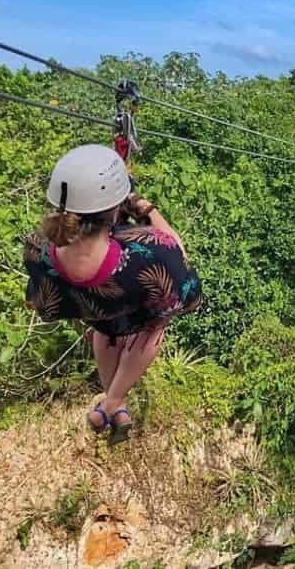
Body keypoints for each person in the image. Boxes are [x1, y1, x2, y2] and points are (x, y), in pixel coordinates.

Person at [23, 144, 202, 444]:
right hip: (135, 311)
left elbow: (38, 293)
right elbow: (176, 251)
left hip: (96, 313)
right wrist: (142, 205)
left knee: (106, 330)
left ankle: (114, 407)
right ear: (114, 208)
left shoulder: (36, 247)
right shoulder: (145, 253)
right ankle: (111, 402)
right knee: (155, 327)